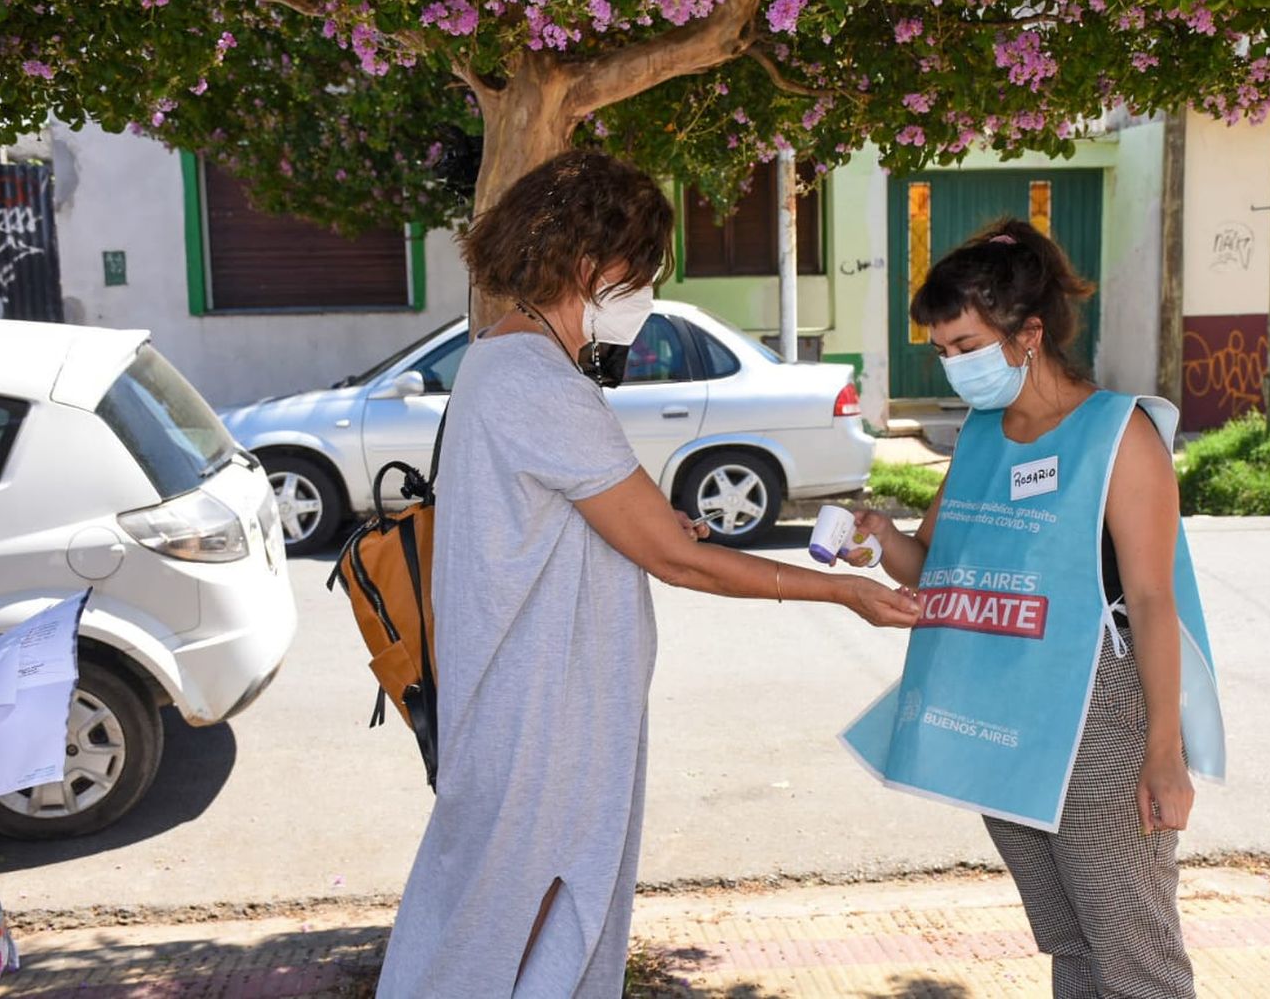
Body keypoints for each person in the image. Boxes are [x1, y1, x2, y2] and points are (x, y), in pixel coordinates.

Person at [376, 150, 920, 999]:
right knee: (521, 931)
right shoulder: (538, 380)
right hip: (541, 720)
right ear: (593, 265)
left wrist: (659, 525)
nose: (648, 295)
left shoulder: (499, 359)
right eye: (645, 274)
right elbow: (676, 560)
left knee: (499, 922)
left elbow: (593, 524)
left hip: (526, 710)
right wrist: (846, 589)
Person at [842, 219, 1224, 999]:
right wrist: (881, 540)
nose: (955, 367)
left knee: (1134, 953)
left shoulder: (1119, 433)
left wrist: (1163, 751)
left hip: (1097, 715)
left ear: (1029, 333)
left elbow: (1153, 600)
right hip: (1001, 719)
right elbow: (936, 566)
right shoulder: (982, 436)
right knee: (1072, 942)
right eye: (943, 352)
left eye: (967, 346)